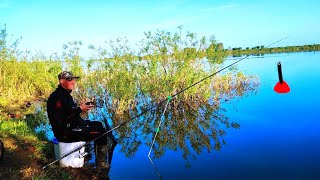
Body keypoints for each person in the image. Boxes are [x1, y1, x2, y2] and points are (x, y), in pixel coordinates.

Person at [47, 71, 117, 177]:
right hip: (65, 133)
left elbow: (70, 114)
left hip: (72, 127)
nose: (74, 82)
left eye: (74, 79)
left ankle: (89, 156)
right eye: (70, 79)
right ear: (62, 81)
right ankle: (102, 167)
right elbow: (61, 121)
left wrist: (81, 109)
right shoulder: (57, 98)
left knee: (98, 124)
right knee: (100, 132)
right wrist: (79, 110)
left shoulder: (65, 95)